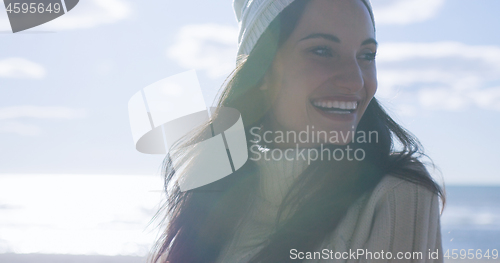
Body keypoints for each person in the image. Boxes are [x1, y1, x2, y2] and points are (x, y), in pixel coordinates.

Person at [150, 0, 445, 262]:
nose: (355, 81)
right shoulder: (211, 195)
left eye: (366, 55)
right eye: (322, 51)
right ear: (262, 71)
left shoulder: (395, 195)